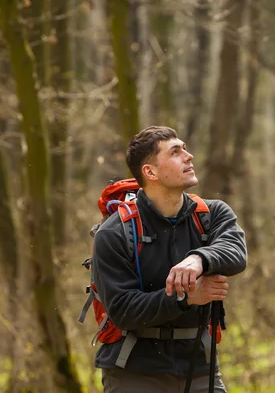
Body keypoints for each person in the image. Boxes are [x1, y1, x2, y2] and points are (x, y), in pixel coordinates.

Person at [92, 126, 247, 392]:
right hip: (134, 373)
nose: (189, 156)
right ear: (150, 172)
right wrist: (185, 297)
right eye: (175, 152)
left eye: (185, 149)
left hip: (200, 367)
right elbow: (123, 311)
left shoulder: (212, 214)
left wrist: (199, 259)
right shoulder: (115, 232)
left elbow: (235, 251)